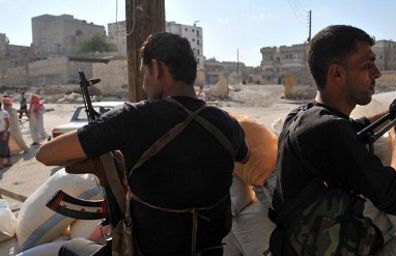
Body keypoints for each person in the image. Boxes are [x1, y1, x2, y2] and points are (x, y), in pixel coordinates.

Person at [36, 32, 249, 255]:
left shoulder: (134, 118)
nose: (144, 86)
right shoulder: (227, 124)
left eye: (143, 74)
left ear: (156, 68)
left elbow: (46, 155)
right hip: (210, 251)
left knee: (70, 248)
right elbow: (245, 156)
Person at [269, 25, 396, 255]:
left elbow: (356, 129)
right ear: (337, 74)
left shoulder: (305, 117)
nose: (377, 73)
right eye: (367, 65)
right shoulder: (329, 130)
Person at [0, 101, 11, 168]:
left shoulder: (4, 112)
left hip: (3, 132)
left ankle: (1, 164)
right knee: (5, 147)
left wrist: (5, 133)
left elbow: (8, 123)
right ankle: (9, 161)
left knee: (2, 148)